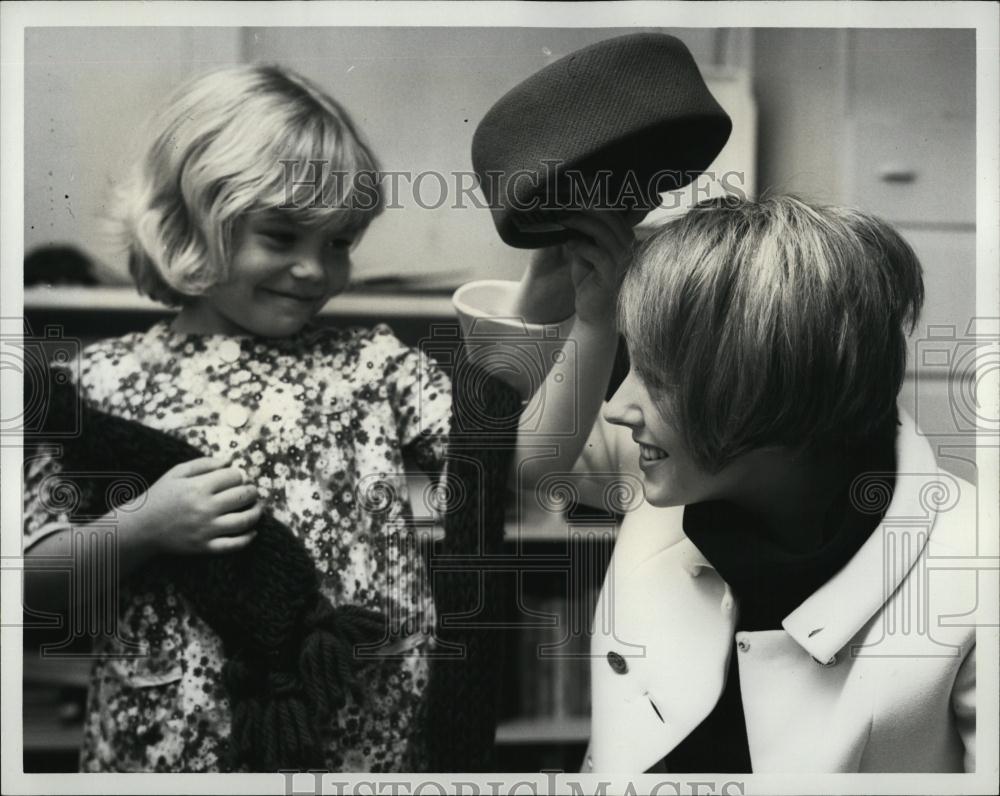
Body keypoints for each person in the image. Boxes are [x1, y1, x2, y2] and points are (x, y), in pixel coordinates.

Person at [21, 64, 635, 772]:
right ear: (187, 222)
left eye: (339, 242)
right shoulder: (97, 384)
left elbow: (530, 464)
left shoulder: (374, 364)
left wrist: (593, 320)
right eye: (281, 237)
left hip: (366, 748)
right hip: (170, 753)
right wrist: (144, 526)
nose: (315, 270)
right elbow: (31, 578)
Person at [467, 195, 977, 773]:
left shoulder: (976, 562)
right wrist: (588, 317)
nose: (618, 408)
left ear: (769, 389)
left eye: (658, 380)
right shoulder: (681, 467)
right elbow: (539, 466)